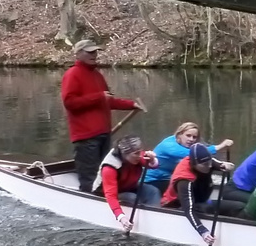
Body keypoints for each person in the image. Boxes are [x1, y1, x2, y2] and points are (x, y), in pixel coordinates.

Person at [61, 39, 144, 193]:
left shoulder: (97, 75)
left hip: (103, 134)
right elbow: (70, 103)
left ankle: (106, 200)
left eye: (95, 51)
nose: (94, 55)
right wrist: (98, 97)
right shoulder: (72, 74)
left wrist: (131, 105)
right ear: (78, 54)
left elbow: (109, 101)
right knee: (90, 176)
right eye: (90, 52)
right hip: (85, 137)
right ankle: (88, 201)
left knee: (105, 172)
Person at [161, 142, 235, 246]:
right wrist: (203, 231)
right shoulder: (184, 180)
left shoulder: (205, 161)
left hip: (199, 195)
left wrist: (224, 166)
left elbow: (215, 163)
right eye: (205, 165)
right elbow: (189, 210)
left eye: (209, 162)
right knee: (209, 208)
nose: (209, 166)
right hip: (177, 204)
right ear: (194, 164)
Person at [145, 122, 234, 194]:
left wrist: (220, 164)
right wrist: (221, 146)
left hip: (169, 176)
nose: (191, 139)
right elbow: (193, 154)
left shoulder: (182, 141)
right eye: (188, 135)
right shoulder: (169, 146)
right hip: (154, 179)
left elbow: (202, 150)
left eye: (194, 137)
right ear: (180, 135)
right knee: (186, 187)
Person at [99, 135, 160, 233]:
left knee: (153, 191)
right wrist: (121, 217)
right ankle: (140, 223)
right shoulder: (109, 168)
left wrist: (152, 159)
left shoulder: (136, 156)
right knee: (132, 198)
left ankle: (156, 218)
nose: (140, 156)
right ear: (125, 154)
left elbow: (154, 166)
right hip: (110, 192)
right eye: (136, 153)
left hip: (129, 185)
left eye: (141, 151)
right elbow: (110, 196)